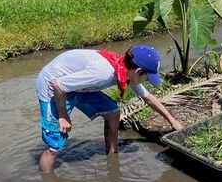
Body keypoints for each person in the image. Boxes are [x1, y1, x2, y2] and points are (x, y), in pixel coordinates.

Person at [36, 45, 182, 172]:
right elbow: (58, 85)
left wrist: (172, 120)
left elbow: (148, 98)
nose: (147, 81)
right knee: (55, 145)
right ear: (138, 72)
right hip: (52, 87)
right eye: (147, 78)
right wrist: (63, 117)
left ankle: (112, 157)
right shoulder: (103, 73)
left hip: (75, 85)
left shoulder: (124, 69)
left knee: (113, 113)